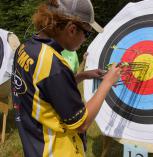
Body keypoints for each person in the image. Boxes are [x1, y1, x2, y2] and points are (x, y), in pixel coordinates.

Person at [11, 0, 121, 157]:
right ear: (72, 29)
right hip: (57, 151)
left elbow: (46, 91)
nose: (86, 39)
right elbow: (82, 123)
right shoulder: (54, 66)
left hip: (35, 145)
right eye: (87, 33)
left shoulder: (26, 48)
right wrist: (108, 81)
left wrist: (82, 76)